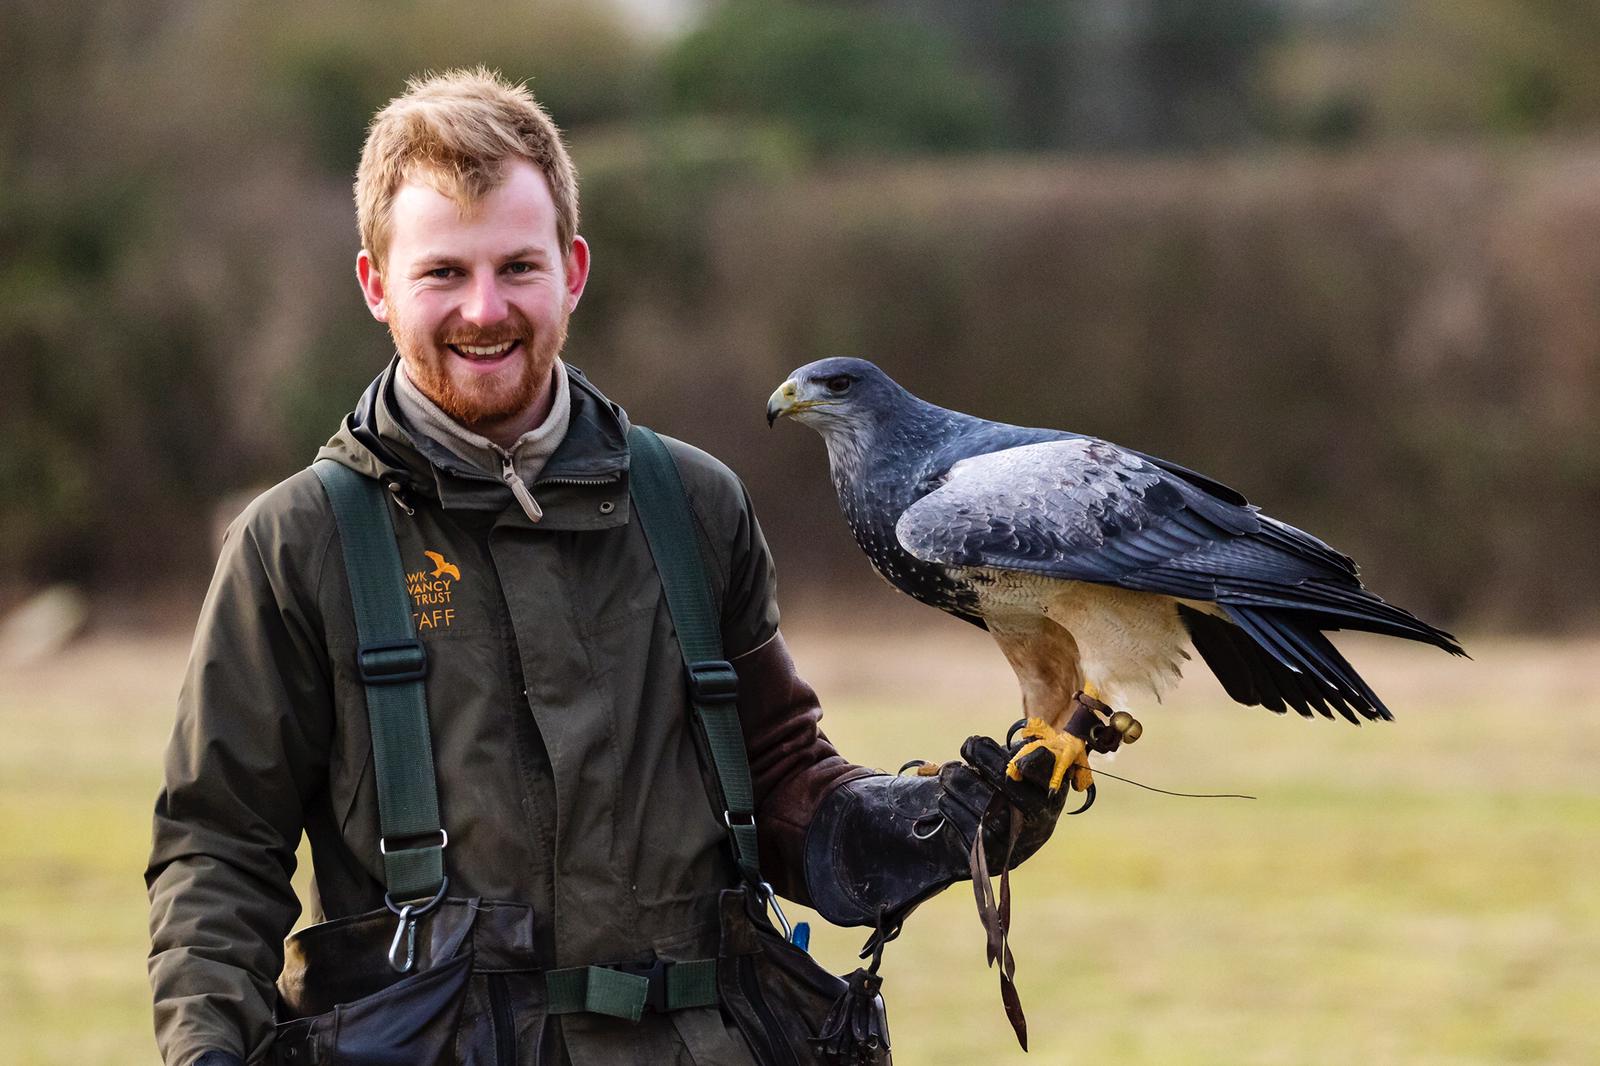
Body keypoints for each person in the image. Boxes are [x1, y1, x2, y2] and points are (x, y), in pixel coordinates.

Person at [146, 68, 1066, 1066]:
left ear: (573, 270)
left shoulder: (695, 505)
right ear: (375, 284)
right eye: (443, 273)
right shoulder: (296, 542)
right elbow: (218, 850)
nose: (484, 309)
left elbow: (780, 779)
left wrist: (934, 825)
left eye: (518, 268)